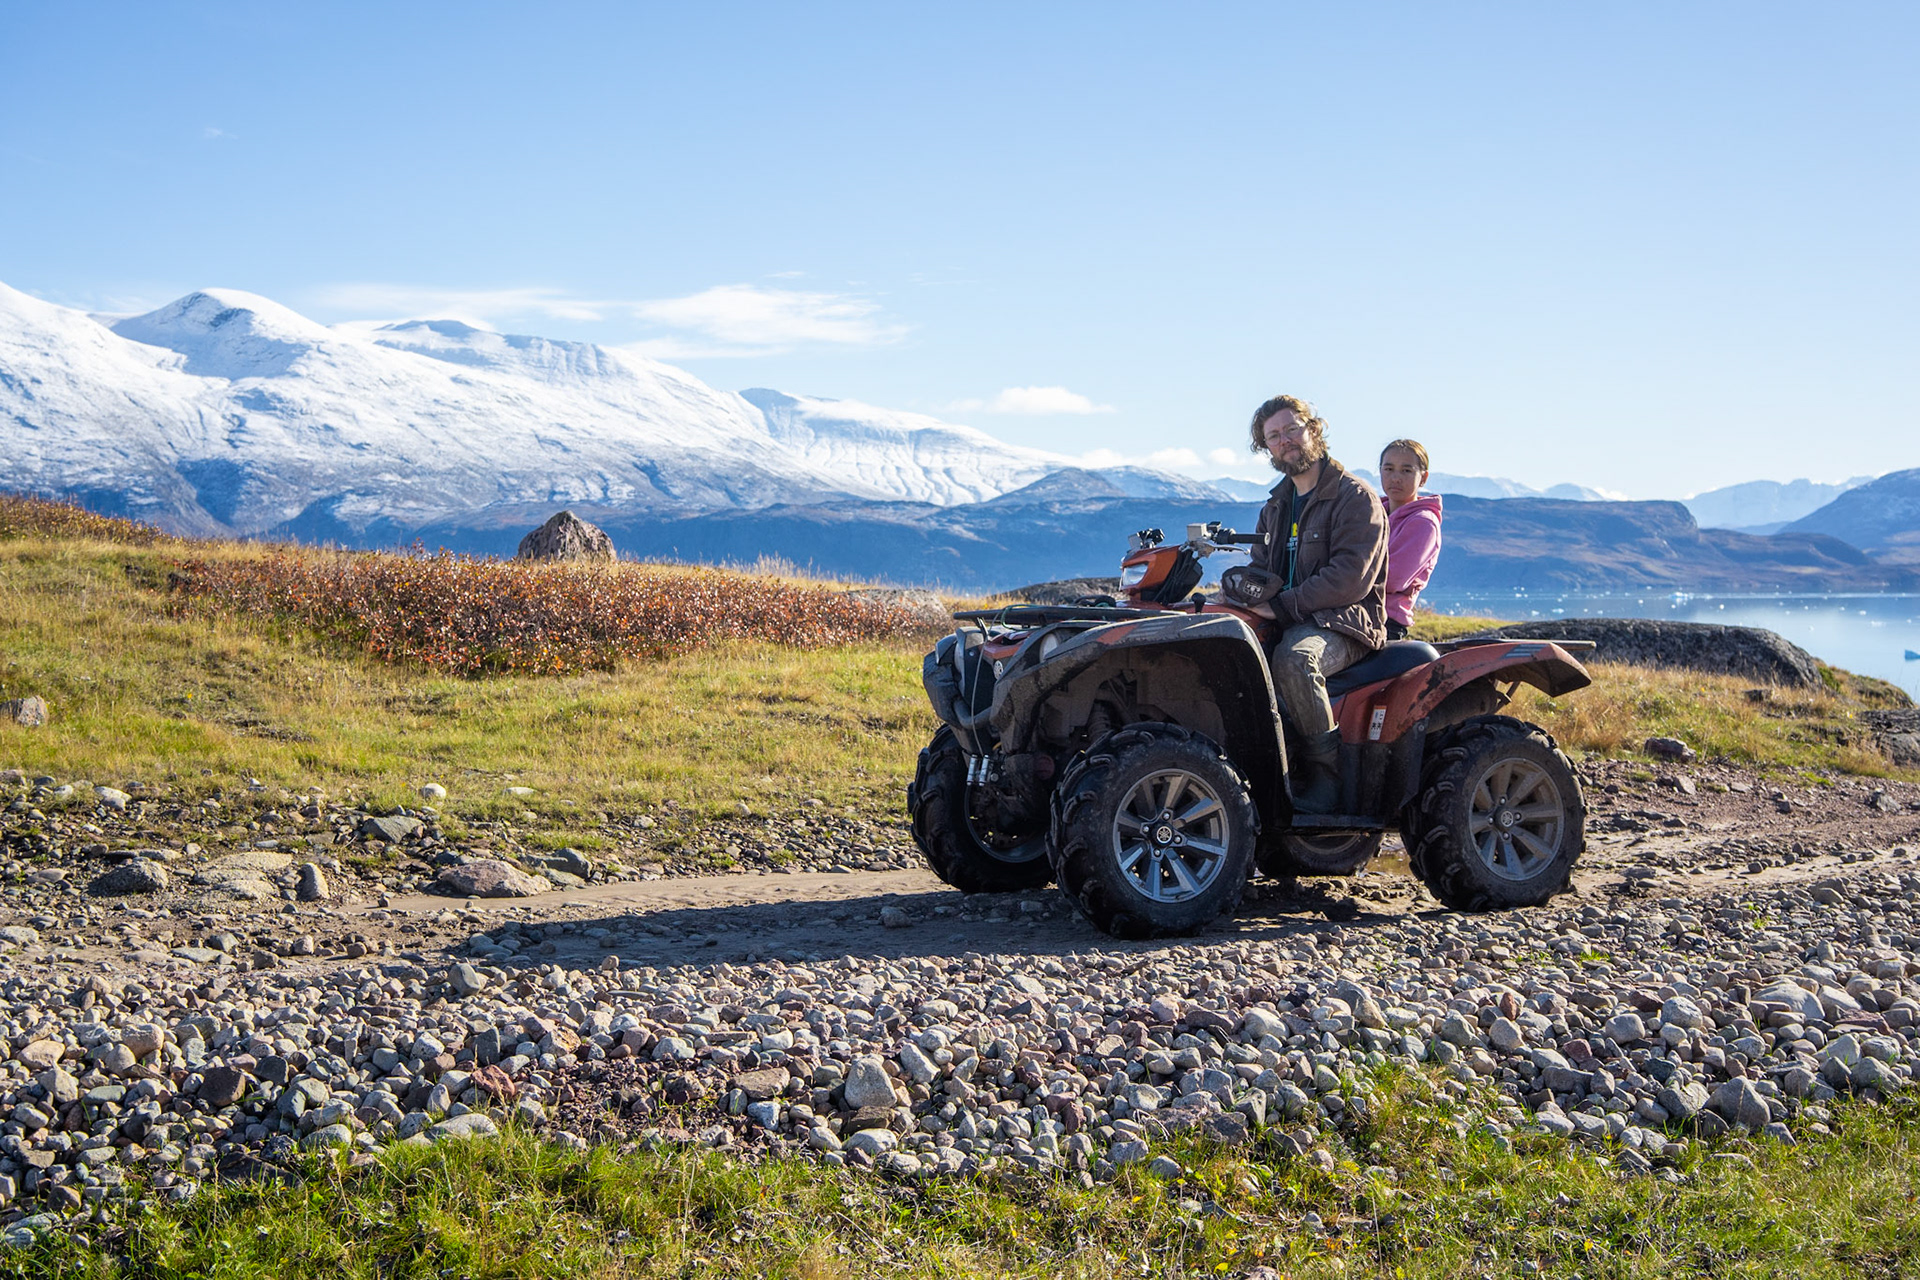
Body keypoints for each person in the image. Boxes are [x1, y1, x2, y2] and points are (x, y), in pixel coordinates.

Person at [1240, 394, 1387, 813]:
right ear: (1266, 448)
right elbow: (1260, 569)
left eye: (1291, 430)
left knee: (1294, 660)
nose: (1285, 441)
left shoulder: (1354, 498)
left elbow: (1349, 578)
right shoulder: (1276, 506)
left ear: (1313, 430)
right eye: (1274, 436)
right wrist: (1235, 595)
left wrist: (1283, 608)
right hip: (1288, 617)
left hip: (1344, 623)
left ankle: (1328, 777)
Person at [1378, 438, 1443, 641]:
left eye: (1406, 471)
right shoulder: (1370, 514)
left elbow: (1392, 578)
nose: (1395, 478)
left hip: (1385, 620)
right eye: (1389, 469)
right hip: (1353, 612)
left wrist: (1343, 577)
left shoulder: (1423, 523)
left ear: (1423, 478)